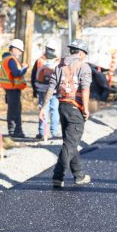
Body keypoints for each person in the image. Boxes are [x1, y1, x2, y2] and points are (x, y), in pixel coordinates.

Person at [41, 39, 92, 188]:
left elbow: (50, 87)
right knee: (70, 144)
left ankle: (79, 175)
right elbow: (85, 89)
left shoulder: (60, 66)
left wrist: (43, 108)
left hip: (62, 106)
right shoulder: (84, 67)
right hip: (76, 108)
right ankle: (58, 176)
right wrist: (86, 108)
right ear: (81, 53)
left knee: (70, 143)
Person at [31, 40, 61, 139]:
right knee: (54, 110)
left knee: (43, 109)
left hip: (42, 89)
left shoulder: (39, 60)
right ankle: (54, 132)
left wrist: (34, 90)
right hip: (55, 91)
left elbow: (33, 76)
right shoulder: (58, 62)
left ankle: (42, 132)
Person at [0, 39, 28, 138]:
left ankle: (12, 130)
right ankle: (17, 131)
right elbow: (16, 73)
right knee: (15, 111)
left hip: (9, 88)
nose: (20, 53)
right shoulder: (11, 60)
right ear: (14, 49)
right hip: (13, 88)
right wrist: (24, 68)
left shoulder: (6, 59)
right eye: (19, 50)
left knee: (12, 110)